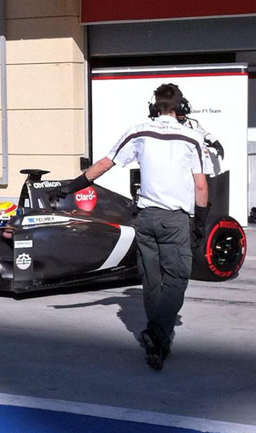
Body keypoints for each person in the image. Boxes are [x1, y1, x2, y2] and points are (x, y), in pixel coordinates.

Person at [51, 83, 210, 370]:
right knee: (177, 279)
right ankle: (157, 332)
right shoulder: (193, 138)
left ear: (154, 107)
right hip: (174, 220)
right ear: (181, 108)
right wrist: (200, 223)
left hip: (146, 219)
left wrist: (71, 187)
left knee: (151, 281)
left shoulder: (138, 132)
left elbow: (104, 163)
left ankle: (159, 345)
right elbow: (200, 184)